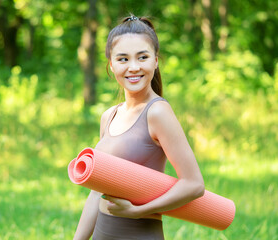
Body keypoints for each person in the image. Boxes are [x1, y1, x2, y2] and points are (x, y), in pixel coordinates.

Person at [73, 15, 205, 240]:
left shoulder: (157, 112)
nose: (133, 67)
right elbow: (97, 193)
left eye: (142, 57)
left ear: (155, 60)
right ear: (111, 65)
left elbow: (194, 185)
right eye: (123, 59)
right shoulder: (109, 116)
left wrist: (138, 211)